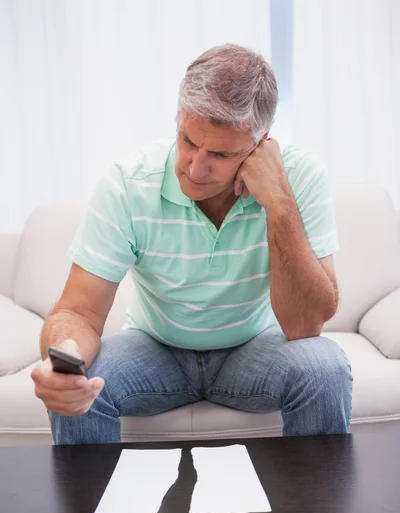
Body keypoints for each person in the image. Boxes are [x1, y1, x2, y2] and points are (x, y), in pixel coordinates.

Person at [31, 44, 353, 445]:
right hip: (155, 348)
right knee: (81, 385)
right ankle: (91, 510)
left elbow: (306, 326)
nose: (196, 169)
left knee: (325, 368)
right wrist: (63, 361)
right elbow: (78, 310)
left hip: (251, 347)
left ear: (260, 142)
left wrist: (278, 202)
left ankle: (314, 510)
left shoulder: (300, 178)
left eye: (220, 154)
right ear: (179, 120)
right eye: (187, 140)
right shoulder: (129, 184)